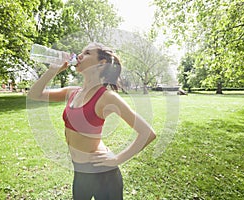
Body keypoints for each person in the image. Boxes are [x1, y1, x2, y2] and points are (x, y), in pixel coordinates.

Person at [28, 42, 156, 200]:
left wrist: (117, 159)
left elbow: (148, 133)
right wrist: (52, 70)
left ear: (101, 64)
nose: (79, 55)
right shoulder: (72, 92)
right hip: (80, 172)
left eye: (87, 53)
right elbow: (34, 95)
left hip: (103, 174)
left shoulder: (107, 97)